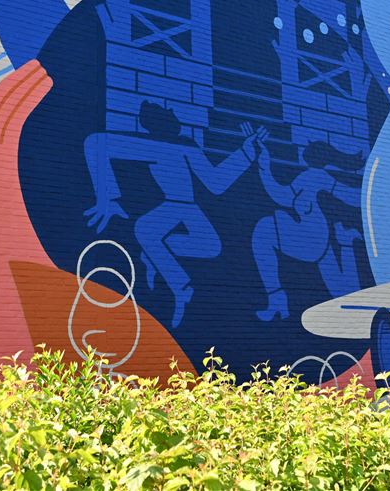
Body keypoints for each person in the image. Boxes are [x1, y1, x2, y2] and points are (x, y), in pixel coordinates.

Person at [83, 103, 266, 328]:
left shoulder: (186, 144)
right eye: (169, 115)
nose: (176, 118)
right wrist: (107, 197)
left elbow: (216, 183)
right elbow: (96, 142)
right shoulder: (152, 145)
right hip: (170, 206)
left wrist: (246, 152)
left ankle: (153, 255)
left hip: (189, 207)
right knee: (144, 230)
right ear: (159, 122)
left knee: (210, 246)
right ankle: (181, 288)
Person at [251, 141, 364, 321]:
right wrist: (264, 164)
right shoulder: (309, 177)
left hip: (313, 238)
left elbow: (280, 195)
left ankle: (277, 299)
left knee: (263, 231)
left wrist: (264, 167)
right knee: (345, 292)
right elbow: (282, 196)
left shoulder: (315, 176)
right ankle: (346, 242)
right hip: (317, 237)